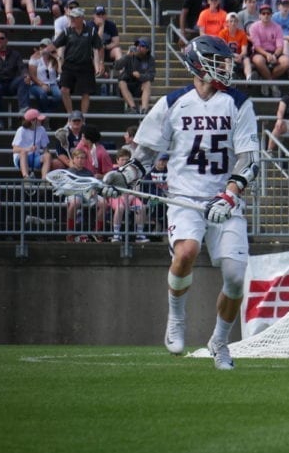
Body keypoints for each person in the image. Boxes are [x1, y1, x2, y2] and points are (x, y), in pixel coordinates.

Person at [101, 35, 259, 370]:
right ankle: (176, 317)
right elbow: (143, 156)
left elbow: (249, 160)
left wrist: (230, 193)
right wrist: (122, 177)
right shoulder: (173, 103)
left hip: (224, 202)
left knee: (234, 277)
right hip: (185, 198)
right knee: (186, 252)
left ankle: (219, 342)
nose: (226, 67)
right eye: (220, 61)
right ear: (199, 64)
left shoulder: (239, 103)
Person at [49, 7, 105, 115]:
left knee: (86, 93)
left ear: (81, 18)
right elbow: (55, 44)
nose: (72, 20)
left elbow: (99, 46)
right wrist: (44, 51)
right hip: (69, 65)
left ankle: (82, 117)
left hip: (85, 65)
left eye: (75, 18)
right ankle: (70, 116)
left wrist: (101, 63)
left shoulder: (91, 31)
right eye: (71, 17)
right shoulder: (67, 31)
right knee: (64, 90)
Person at [63, 149, 109, 243]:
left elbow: (94, 186)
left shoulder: (89, 173)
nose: (80, 160)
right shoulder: (68, 172)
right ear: (73, 159)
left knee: (104, 203)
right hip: (73, 193)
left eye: (82, 158)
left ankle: (96, 231)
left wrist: (93, 190)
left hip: (87, 194)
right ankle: (70, 232)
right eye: (78, 158)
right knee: (75, 203)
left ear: (85, 160)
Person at [108, 149, 150, 244]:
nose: (124, 162)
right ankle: (116, 235)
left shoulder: (134, 172)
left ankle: (139, 234)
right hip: (116, 196)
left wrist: (130, 197)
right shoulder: (113, 172)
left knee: (141, 207)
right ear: (117, 160)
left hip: (131, 197)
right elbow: (110, 188)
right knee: (120, 207)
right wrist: (122, 197)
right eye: (122, 159)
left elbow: (137, 189)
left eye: (127, 160)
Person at [249, 3, 289, 97]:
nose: (266, 15)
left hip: (274, 52)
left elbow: (280, 46)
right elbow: (257, 46)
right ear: (259, 15)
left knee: (286, 61)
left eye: (268, 13)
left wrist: (275, 55)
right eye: (263, 13)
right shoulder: (254, 27)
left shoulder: (277, 27)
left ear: (271, 15)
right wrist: (267, 54)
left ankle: (265, 80)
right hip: (260, 51)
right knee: (258, 60)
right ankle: (272, 84)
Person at [115, 37, 156, 115]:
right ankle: (133, 108)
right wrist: (127, 56)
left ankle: (144, 110)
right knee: (122, 83)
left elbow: (151, 76)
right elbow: (117, 67)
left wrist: (140, 76)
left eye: (142, 46)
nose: (138, 47)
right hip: (127, 85)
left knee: (147, 83)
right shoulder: (130, 56)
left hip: (139, 86)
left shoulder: (150, 59)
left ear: (147, 49)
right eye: (137, 45)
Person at [12, 108, 52, 185]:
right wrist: (28, 149)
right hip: (21, 158)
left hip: (35, 158)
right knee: (23, 152)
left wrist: (47, 157)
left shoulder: (42, 129)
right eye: (39, 119)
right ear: (32, 121)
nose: (41, 120)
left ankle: (44, 180)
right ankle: (26, 178)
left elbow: (45, 148)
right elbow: (15, 149)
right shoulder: (21, 130)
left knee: (47, 155)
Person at [28, 37, 62, 113]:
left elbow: (60, 71)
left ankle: (47, 113)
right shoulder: (34, 57)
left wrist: (57, 58)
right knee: (42, 94)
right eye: (42, 46)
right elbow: (32, 75)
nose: (44, 49)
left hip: (52, 84)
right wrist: (42, 84)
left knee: (59, 96)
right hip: (37, 84)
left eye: (46, 46)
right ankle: (46, 114)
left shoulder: (53, 59)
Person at [217, 12, 252, 80]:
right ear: (227, 23)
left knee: (246, 59)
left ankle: (249, 77)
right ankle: (229, 76)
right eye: (231, 21)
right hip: (227, 56)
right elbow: (222, 49)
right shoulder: (222, 33)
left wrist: (240, 56)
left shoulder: (242, 33)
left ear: (237, 23)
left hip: (239, 56)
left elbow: (244, 50)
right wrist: (232, 55)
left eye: (235, 21)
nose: (233, 23)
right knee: (228, 59)